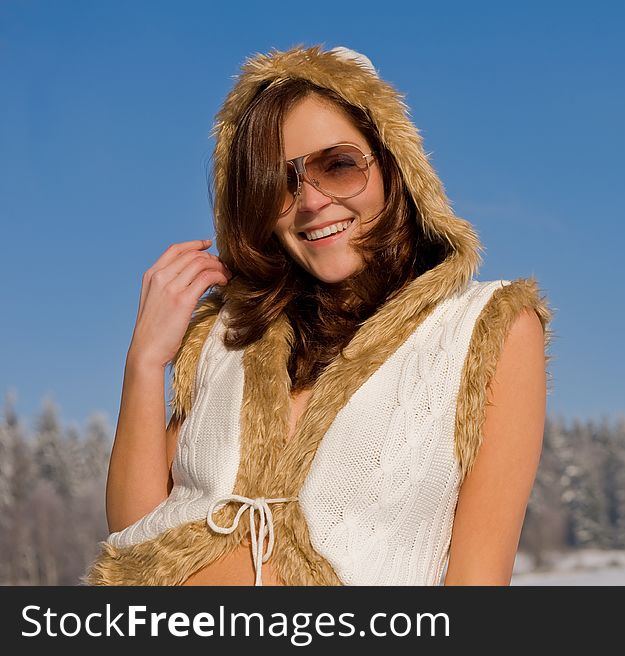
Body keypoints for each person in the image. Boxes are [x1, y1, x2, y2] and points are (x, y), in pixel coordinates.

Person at [85, 44, 553, 586]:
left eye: (339, 165)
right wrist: (145, 362)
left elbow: (477, 581)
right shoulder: (228, 336)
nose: (310, 201)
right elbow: (138, 541)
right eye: (279, 183)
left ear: (394, 166)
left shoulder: (484, 329)